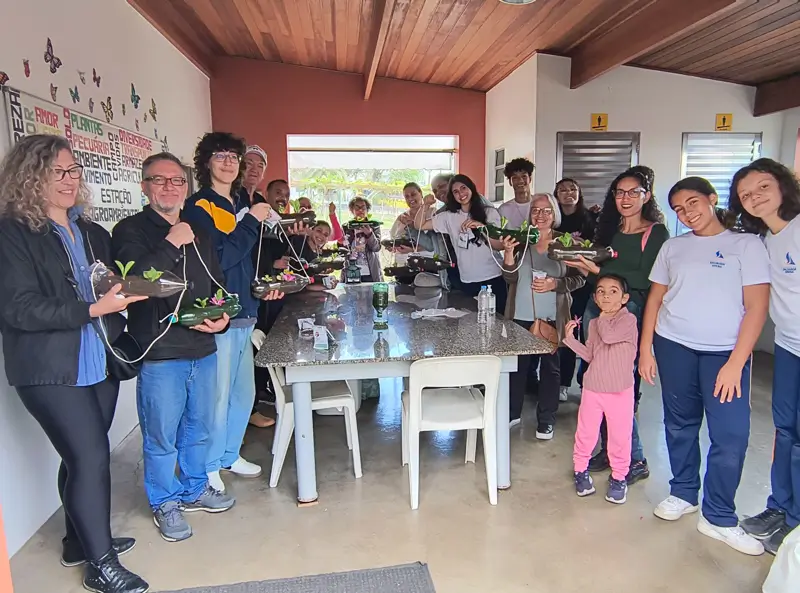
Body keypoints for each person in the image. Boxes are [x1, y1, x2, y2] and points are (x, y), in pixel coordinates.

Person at [0, 135, 148, 593]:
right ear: (31, 176)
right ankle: (101, 565)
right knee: (90, 456)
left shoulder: (88, 229)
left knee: (81, 453)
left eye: (73, 171)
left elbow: (104, 283)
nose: (69, 180)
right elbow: (18, 308)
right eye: (56, 172)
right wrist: (90, 310)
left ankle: (76, 541)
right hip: (50, 368)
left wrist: (128, 291)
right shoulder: (13, 232)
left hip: (97, 361)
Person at [112, 152, 241, 543]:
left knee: (199, 426)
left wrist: (224, 316)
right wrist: (171, 242)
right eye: (159, 180)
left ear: (186, 187)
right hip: (160, 350)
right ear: (144, 186)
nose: (169, 187)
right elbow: (134, 284)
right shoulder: (130, 230)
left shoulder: (198, 227)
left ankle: (195, 488)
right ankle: (164, 501)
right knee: (161, 434)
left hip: (202, 345)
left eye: (176, 181)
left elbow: (215, 280)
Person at [639, 176, 769, 555]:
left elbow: (756, 308)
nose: (687, 213)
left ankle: (719, 516)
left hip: (725, 354)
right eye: (679, 209)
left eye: (693, 203)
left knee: (730, 435)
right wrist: (647, 348)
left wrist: (736, 362)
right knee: (679, 424)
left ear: (712, 199)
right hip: (674, 345)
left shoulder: (746, 244)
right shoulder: (673, 248)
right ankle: (683, 493)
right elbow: (655, 299)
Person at [183, 132, 283, 493]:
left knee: (242, 392)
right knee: (217, 393)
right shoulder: (199, 206)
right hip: (218, 312)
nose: (228, 161)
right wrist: (253, 220)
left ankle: (228, 454)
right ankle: (208, 464)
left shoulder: (239, 201)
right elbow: (221, 258)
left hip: (246, 307)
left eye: (233, 156)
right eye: (220, 155)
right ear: (206, 162)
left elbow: (248, 259)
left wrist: (265, 284)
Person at [565, 167, 669, 485]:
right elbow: (601, 277)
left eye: (632, 192)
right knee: (593, 379)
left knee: (620, 387)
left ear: (646, 196)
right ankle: (611, 450)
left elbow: (649, 279)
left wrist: (598, 270)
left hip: (629, 313)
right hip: (596, 307)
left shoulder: (656, 233)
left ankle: (634, 457)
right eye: (619, 193)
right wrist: (586, 267)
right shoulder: (609, 230)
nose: (625, 199)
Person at [729, 158, 800, 554]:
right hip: (790, 345)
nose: (754, 197)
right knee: (785, 432)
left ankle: (795, 522)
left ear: (783, 185)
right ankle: (781, 508)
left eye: (762, 187)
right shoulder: (766, 240)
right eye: (745, 194)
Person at [501, 193, 585, 438]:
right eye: (536, 210)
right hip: (520, 313)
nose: (541, 215)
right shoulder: (521, 240)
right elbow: (510, 278)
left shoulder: (565, 242)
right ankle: (512, 413)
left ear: (555, 214)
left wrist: (554, 284)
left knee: (550, 370)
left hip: (552, 315)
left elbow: (580, 278)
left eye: (546, 210)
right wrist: (508, 254)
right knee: (517, 368)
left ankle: (546, 420)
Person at [564, 275, 638, 505]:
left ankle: (619, 477)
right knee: (586, 433)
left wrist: (604, 316)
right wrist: (570, 339)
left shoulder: (628, 321)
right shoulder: (595, 323)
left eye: (613, 291)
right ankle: (580, 470)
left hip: (620, 390)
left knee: (619, 436)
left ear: (624, 298)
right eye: (601, 291)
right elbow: (590, 354)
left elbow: (609, 335)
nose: (606, 295)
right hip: (593, 388)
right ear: (595, 298)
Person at [418, 174, 508, 312]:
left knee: (496, 324)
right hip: (467, 281)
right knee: (469, 328)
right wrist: (425, 205)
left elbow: (499, 245)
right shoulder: (449, 216)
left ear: (471, 188)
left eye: (463, 188)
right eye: (455, 192)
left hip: (493, 279)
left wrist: (482, 228)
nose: (461, 194)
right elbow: (420, 225)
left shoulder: (489, 213)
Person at [554, 178, 599, 401]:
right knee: (562, 334)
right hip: (556, 282)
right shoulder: (552, 220)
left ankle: (579, 382)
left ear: (579, 193)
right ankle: (559, 381)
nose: (568, 193)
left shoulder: (590, 219)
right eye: (562, 190)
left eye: (572, 189)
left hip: (581, 283)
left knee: (580, 333)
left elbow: (597, 250)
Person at [341, 196, 383, 282]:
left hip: (370, 272)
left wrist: (369, 234)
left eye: (363, 208)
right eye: (357, 208)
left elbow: (376, 248)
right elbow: (342, 249)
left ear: (367, 210)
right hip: (351, 271)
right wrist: (352, 233)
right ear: (352, 210)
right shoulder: (347, 226)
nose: (360, 210)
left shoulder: (374, 225)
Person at [497, 158, 535, 230]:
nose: (520, 181)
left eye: (524, 176)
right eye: (515, 178)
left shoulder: (540, 205)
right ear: (510, 182)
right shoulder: (503, 210)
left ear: (530, 179)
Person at [236, 145, 268, 214]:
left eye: (260, 166)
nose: (254, 170)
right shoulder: (231, 196)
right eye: (249, 163)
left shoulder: (260, 200)